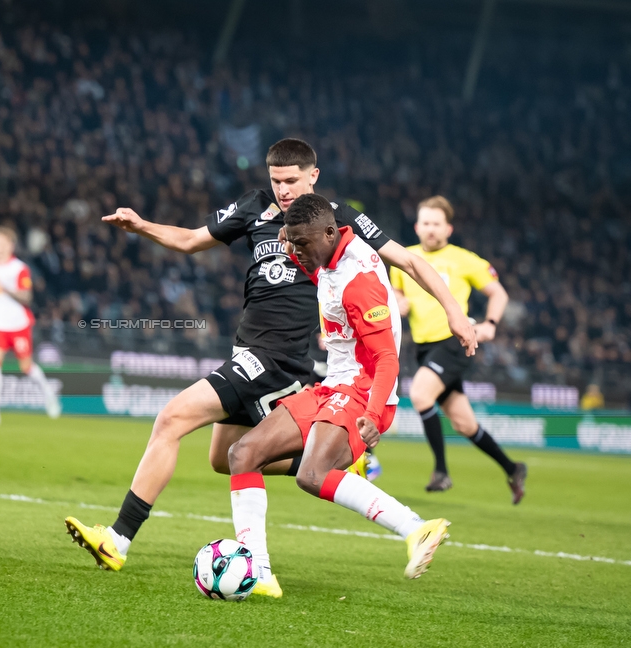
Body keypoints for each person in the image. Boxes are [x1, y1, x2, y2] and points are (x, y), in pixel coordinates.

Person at [64, 138, 475, 597]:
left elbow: (408, 264)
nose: (282, 190)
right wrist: (141, 226)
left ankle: (119, 540)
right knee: (228, 459)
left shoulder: (336, 223)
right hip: (250, 351)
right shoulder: (255, 210)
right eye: (276, 181)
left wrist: (454, 312)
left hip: (276, 359)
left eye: (292, 181)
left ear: (313, 177)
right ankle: (336, 465)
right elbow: (191, 240)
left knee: (172, 418)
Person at [228, 193, 450, 584]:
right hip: (333, 385)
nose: (295, 251)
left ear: (330, 232)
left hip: (364, 391)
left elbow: (386, 360)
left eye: (301, 244)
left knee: (311, 475)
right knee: (242, 453)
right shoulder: (327, 257)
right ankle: (258, 574)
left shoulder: (358, 281)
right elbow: (318, 274)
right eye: (291, 242)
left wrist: (373, 414)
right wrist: (295, 246)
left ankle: (416, 527)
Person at [391, 195, 525, 502]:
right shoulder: (403, 258)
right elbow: (397, 293)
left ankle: (440, 471)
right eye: (426, 223)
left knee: (421, 393)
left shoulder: (464, 259)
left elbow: (498, 293)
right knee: (465, 424)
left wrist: (490, 322)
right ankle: (513, 467)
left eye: (437, 224)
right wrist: (400, 302)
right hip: (424, 347)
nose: (431, 229)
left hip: (453, 341)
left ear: (448, 229)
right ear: (416, 226)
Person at [0, 226, 60, 424]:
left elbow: (26, 297)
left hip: (18, 324)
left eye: (3, 243)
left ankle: (49, 394)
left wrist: (5, 289)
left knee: (26, 367)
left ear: (11, 246)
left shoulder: (20, 268)